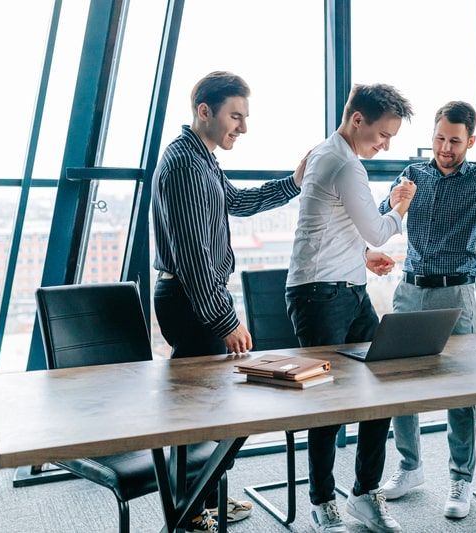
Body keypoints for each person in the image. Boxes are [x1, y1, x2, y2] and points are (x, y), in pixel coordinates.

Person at [151, 71, 307, 532]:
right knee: (208, 411)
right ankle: (192, 509)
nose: (242, 126)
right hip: (192, 300)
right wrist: (225, 319)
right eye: (235, 116)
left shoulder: (201, 160)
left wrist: (292, 182)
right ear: (205, 111)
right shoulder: (184, 165)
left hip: (193, 297)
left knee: (208, 410)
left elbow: (236, 202)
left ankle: (196, 504)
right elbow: (196, 254)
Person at [379, 101, 476, 519]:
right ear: (433, 136)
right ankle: (410, 466)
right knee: (398, 382)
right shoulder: (413, 174)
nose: (445, 148)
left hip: (457, 293)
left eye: (455, 141)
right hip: (409, 290)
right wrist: (394, 201)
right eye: (440, 139)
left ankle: (461, 478)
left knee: (459, 391)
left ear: (471, 141)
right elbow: (380, 217)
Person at [286, 83, 416, 533]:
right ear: (356, 119)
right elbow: (382, 230)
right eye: (383, 134)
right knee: (329, 404)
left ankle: (364, 493)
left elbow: (327, 227)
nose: (386, 144)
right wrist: (401, 205)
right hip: (321, 296)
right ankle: (323, 503)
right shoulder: (343, 163)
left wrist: (361, 257)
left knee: (379, 385)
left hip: (346, 289)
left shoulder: (333, 156)